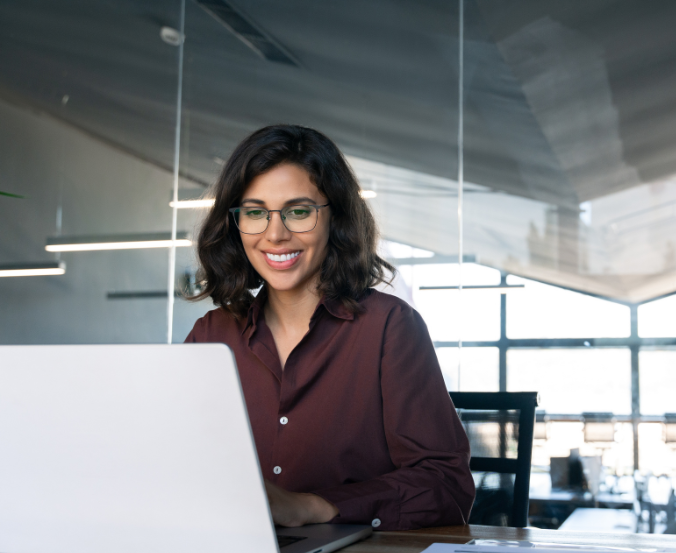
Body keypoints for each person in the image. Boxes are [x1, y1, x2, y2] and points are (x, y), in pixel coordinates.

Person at [184, 125, 475, 531]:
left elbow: (445, 485)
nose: (275, 234)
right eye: (255, 212)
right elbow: (173, 460)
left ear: (334, 218)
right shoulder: (211, 336)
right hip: (231, 552)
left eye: (299, 211)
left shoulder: (389, 328)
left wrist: (314, 506)